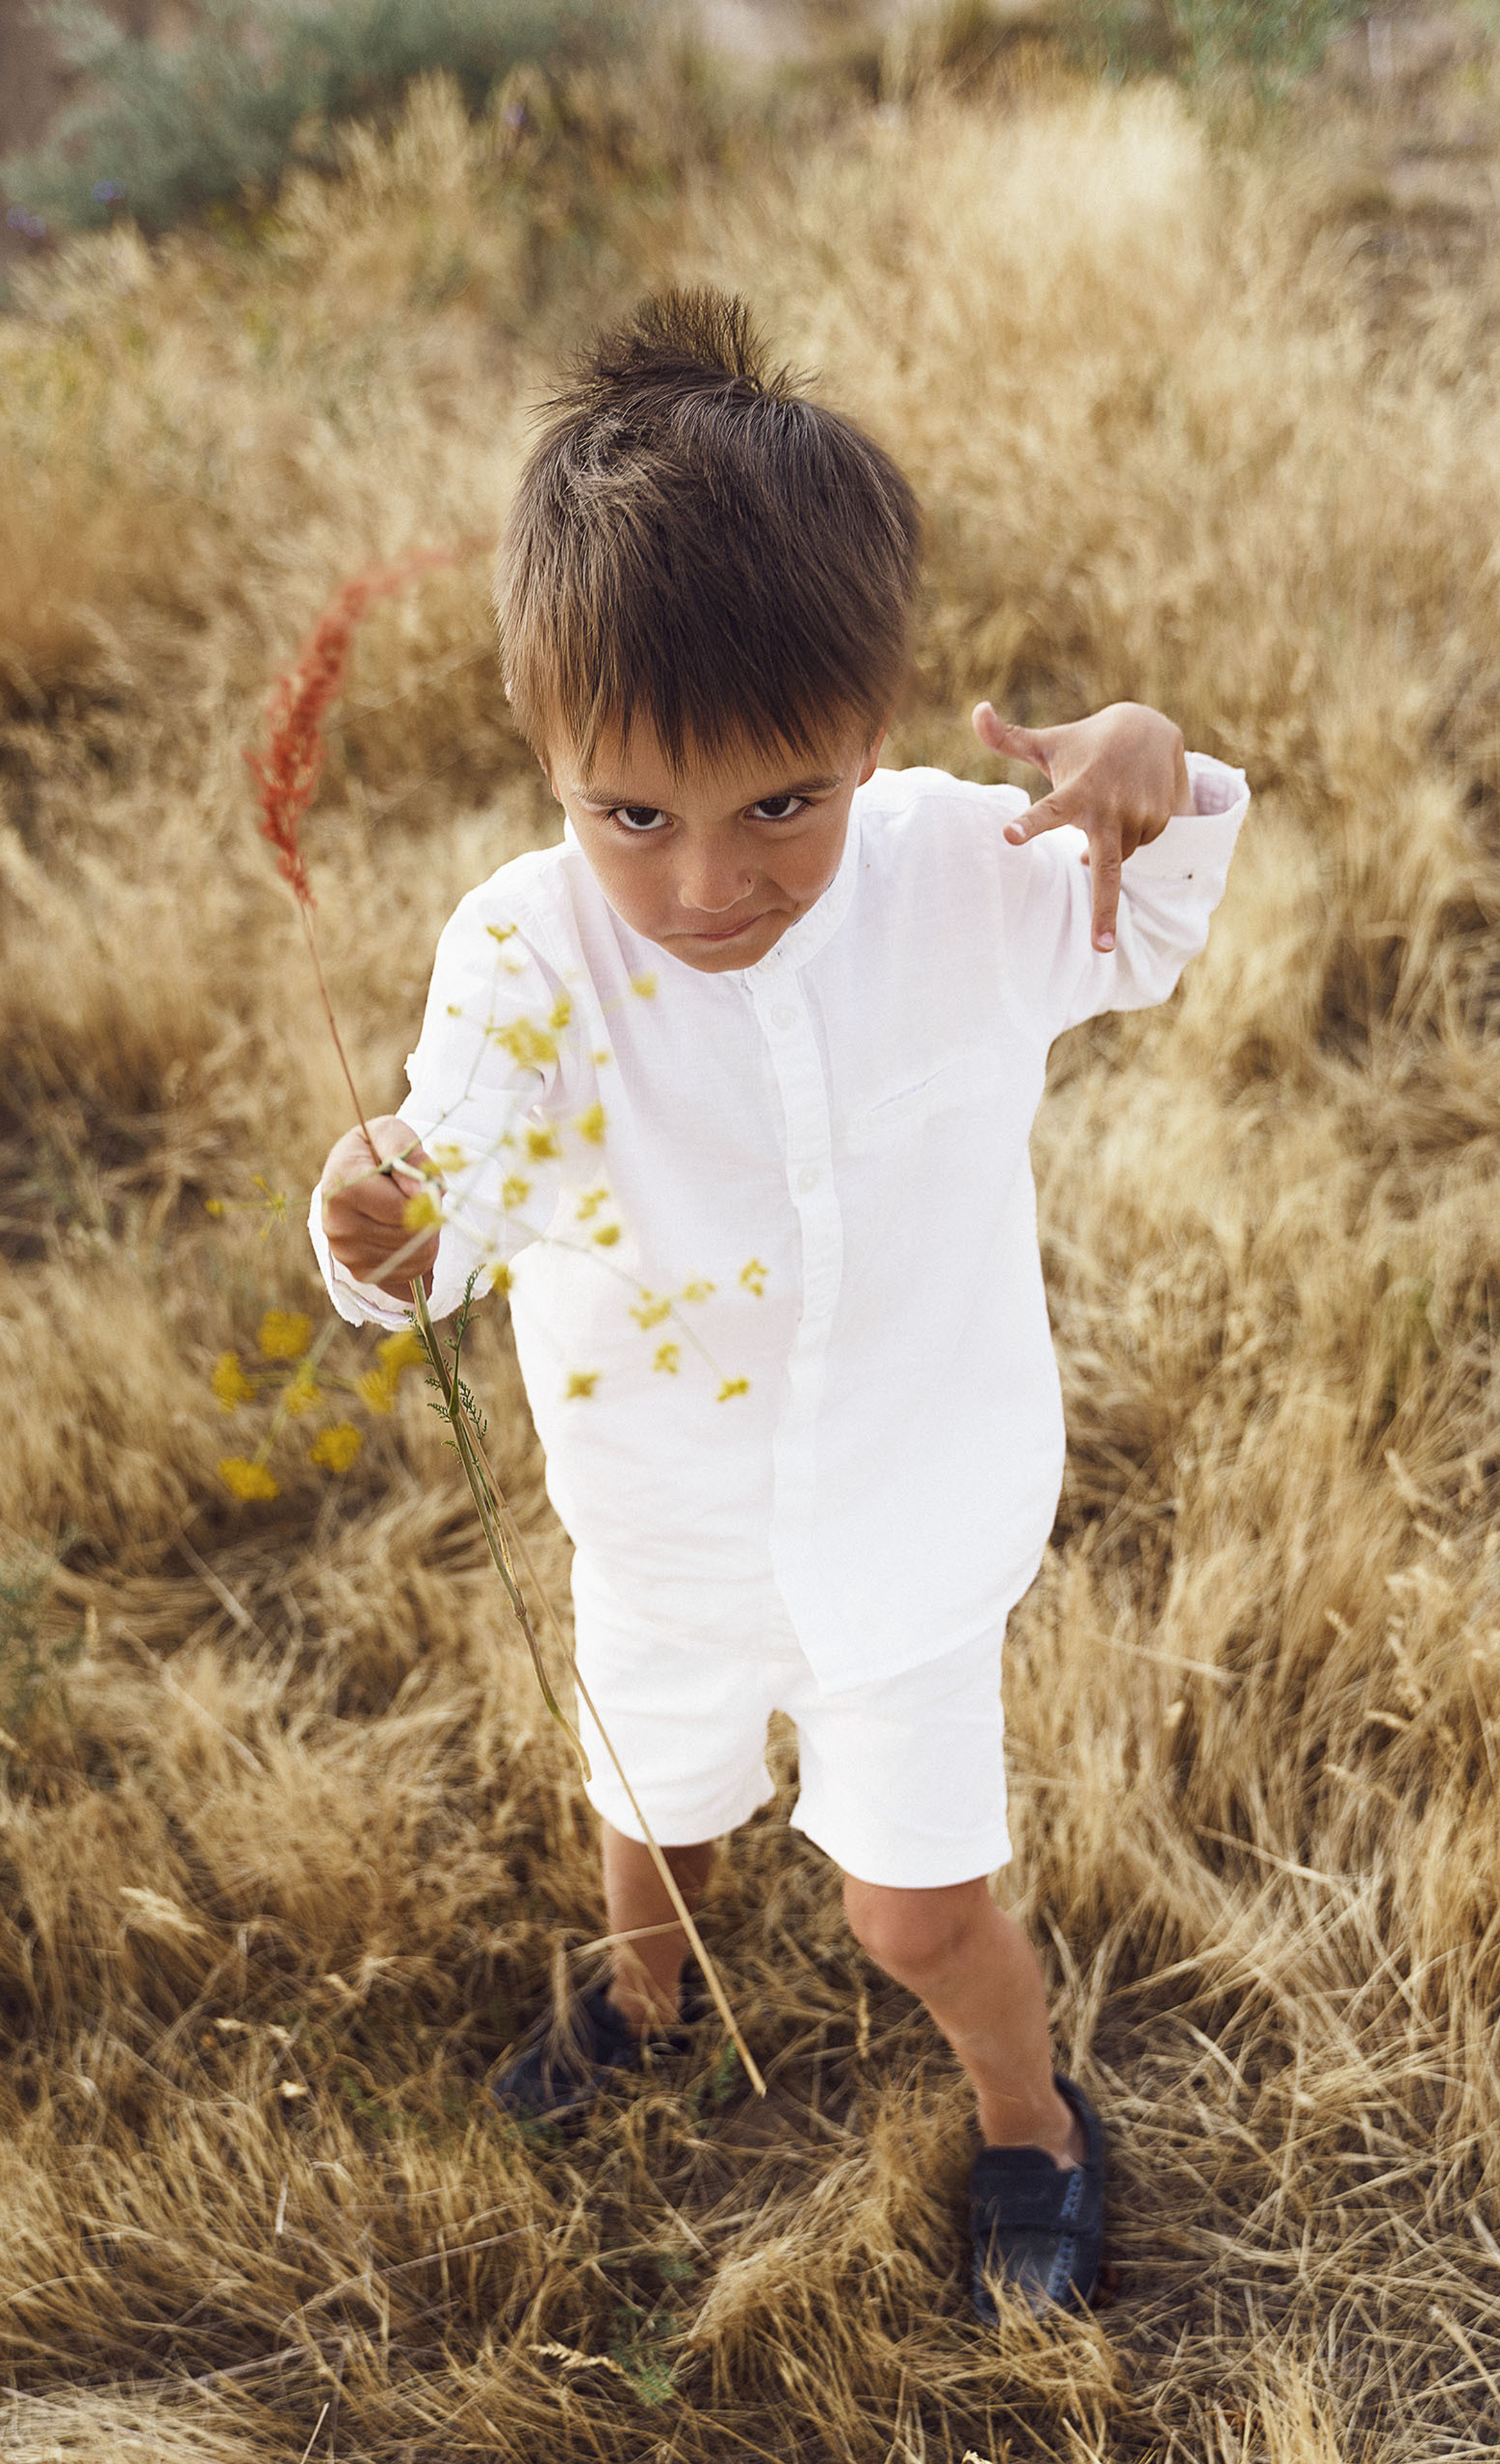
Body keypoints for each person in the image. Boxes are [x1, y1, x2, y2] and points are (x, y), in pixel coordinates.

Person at [310, 288, 1249, 2322]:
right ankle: (651, 1994)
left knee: (916, 1908)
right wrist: (378, 1227)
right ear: (546, 754)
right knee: (651, 1801)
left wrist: (1150, 773)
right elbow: (446, 1205)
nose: (706, 882)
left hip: (908, 1521)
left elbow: (1148, 926)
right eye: (630, 813)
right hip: (658, 1516)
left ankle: (1031, 2122)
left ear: (875, 725)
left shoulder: (965, 872)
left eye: (781, 806)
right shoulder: (525, 953)